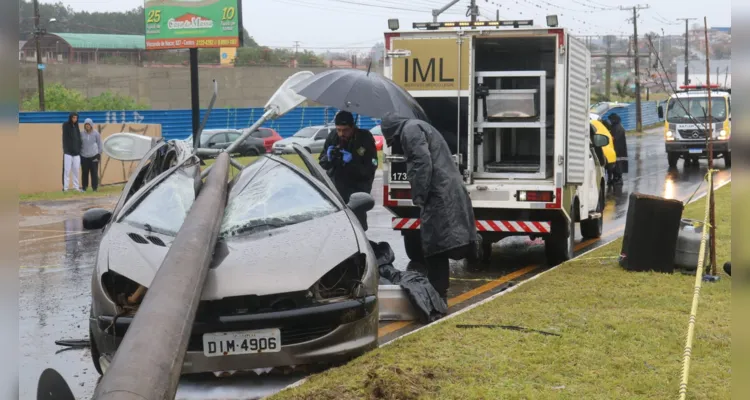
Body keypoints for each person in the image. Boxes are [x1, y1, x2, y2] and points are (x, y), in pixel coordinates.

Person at [380, 112, 478, 304]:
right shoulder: (417, 127)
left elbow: (421, 162)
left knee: (435, 245)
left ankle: (438, 293)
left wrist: (419, 195)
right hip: (443, 190)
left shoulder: (410, 131)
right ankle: (441, 288)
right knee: (441, 242)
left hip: (437, 193)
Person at [318, 111, 378, 230]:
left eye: (345, 130)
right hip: (336, 190)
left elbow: (371, 167)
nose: (341, 134)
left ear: (353, 127)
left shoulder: (364, 138)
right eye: (338, 130)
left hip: (356, 190)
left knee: (357, 227)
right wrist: (328, 158)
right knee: (336, 228)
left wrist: (352, 161)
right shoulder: (333, 137)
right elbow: (322, 163)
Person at [80, 118, 103, 192]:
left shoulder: (96, 133)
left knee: (94, 172)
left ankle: (94, 188)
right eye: (86, 125)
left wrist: (99, 154)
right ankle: (84, 187)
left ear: (91, 125)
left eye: (88, 124)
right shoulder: (81, 133)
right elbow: (79, 144)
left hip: (94, 155)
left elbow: (100, 144)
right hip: (84, 156)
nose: (87, 126)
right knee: (84, 172)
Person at [62, 112, 83, 192]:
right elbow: (66, 138)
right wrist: (66, 149)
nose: (75, 119)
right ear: (70, 118)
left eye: (76, 118)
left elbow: (78, 139)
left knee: (76, 170)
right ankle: (66, 188)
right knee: (67, 170)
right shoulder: (66, 125)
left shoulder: (76, 126)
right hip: (68, 152)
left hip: (76, 153)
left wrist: (79, 148)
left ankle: (76, 187)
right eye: (73, 117)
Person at [608, 113, 628, 185]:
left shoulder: (617, 127)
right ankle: (616, 178)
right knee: (616, 164)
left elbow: (613, 138)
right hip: (617, 148)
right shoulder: (615, 126)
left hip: (619, 149)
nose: (610, 121)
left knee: (618, 164)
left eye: (610, 120)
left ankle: (619, 179)